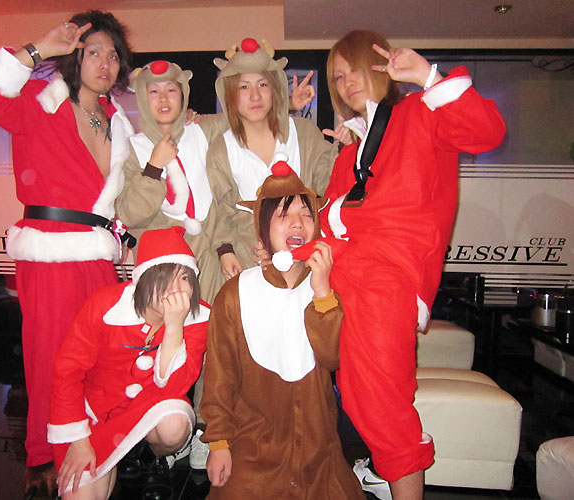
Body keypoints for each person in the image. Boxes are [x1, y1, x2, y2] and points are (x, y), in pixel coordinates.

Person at [320, 30, 506, 499]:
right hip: (347, 278)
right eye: (337, 78)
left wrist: (428, 76)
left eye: (354, 70)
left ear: (380, 68)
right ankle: (382, 470)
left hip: (390, 276)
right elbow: (329, 219)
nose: (346, 83)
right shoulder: (350, 152)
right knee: (357, 396)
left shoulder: (421, 111)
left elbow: (487, 133)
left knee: (382, 399)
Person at [0, 11, 135, 495]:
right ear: (74, 56)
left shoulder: (116, 120)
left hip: (98, 254)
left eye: (112, 54)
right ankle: (44, 457)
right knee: (52, 356)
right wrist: (38, 47)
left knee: (98, 353)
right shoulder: (44, 103)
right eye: (93, 51)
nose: (104, 62)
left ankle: (89, 440)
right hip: (50, 250)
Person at [200, 162, 365, 500]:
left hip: (320, 454)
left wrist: (323, 294)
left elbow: (333, 358)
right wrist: (218, 443)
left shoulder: (329, 286)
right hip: (253, 450)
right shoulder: (235, 294)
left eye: (306, 214)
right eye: (283, 215)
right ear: (263, 228)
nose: (297, 223)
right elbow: (220, 376)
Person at [48, 226, 209, 499]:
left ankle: (148, 457)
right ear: (143, 281)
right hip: (96, 412)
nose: (177, 289)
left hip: (151, 405)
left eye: (184, 277)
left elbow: (174, 388)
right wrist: (78, 439)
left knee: (174, 428)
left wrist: (174, 327)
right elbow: (68, 372)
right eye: (164, 278)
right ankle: (121, 454)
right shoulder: (104, 306)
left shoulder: (197, 316)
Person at [206, 37, 336, 280]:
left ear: (275, 89)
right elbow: (223, 207)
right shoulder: (221, 149)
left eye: (263, 84)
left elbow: (330, 186)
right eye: (244, 87)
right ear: (230, 94)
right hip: (250, 261)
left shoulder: (304, 133)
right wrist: (225, 250)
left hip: (307, 261)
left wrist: (346, 147)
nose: (255, 96)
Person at [115, 60, 224, 304]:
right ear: (142, 97)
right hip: (162, 267)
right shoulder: (130, 149)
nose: (163, 98)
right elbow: (129, 215)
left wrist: (288, 104)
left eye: (171, 90)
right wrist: (154, 167)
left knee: (213, 323)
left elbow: (247, 121)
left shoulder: (204, 129)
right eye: (154, 91)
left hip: (211, 260)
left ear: (183, 94)